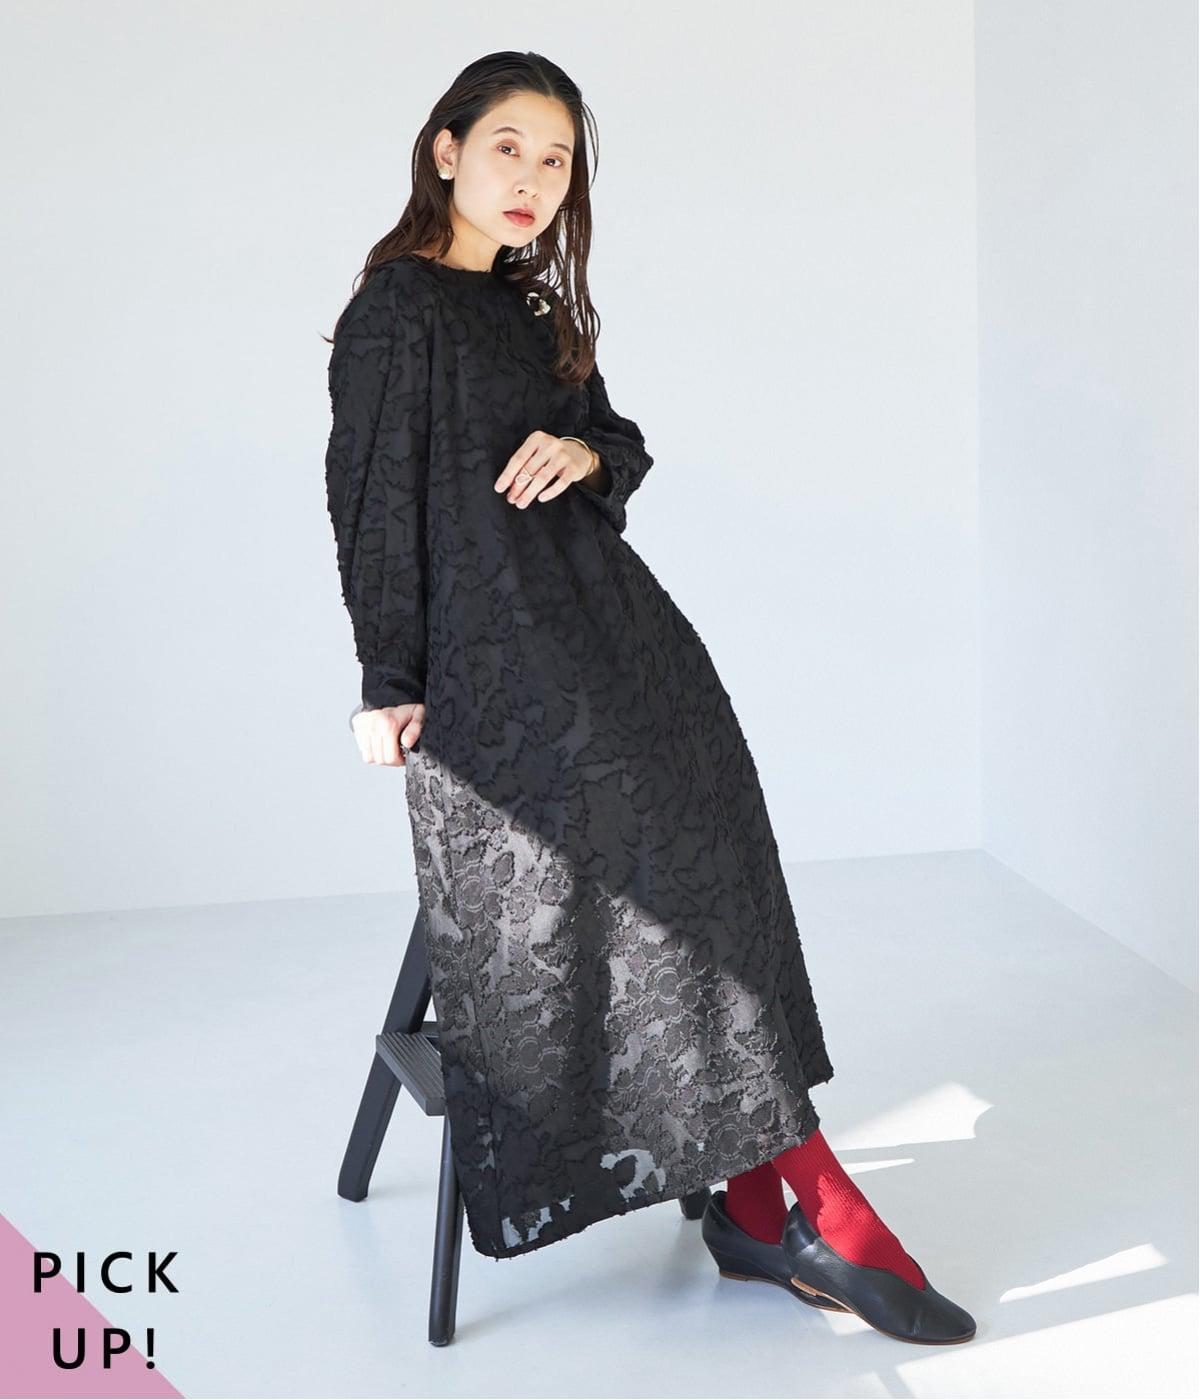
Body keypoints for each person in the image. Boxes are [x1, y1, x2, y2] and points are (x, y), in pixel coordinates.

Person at [324, 51, 975, 1345]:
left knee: (715, 835)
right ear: (446, 151)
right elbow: (368, 501)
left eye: (556, 159)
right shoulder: (398, 310)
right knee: (662, 872)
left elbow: (620, 447)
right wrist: (386, 677)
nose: (533, 178)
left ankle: (761, 1199)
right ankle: (814, 1208)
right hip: (499, 674)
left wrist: (582, 448)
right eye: (508, 147)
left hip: (621, 641)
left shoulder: (536, 310)